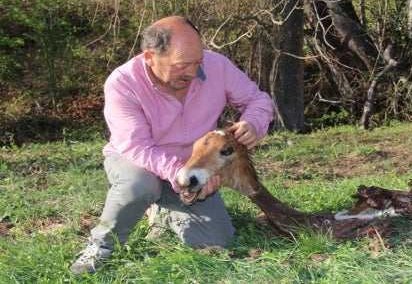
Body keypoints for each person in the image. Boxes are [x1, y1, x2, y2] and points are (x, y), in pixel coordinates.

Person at [70, 16, 274, 274]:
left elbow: (257, 99)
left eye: (197, 62)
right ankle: (101, 247)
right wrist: (181, 176)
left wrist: (253, 123)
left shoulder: (217, 66)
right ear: (150, 57)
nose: (193, 72)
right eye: (182, 65)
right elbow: (137, 147)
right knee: (140, 185)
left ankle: (162, 213)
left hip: (194, 166)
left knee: (217, 242)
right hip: (139, 163)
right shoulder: (122, 83)